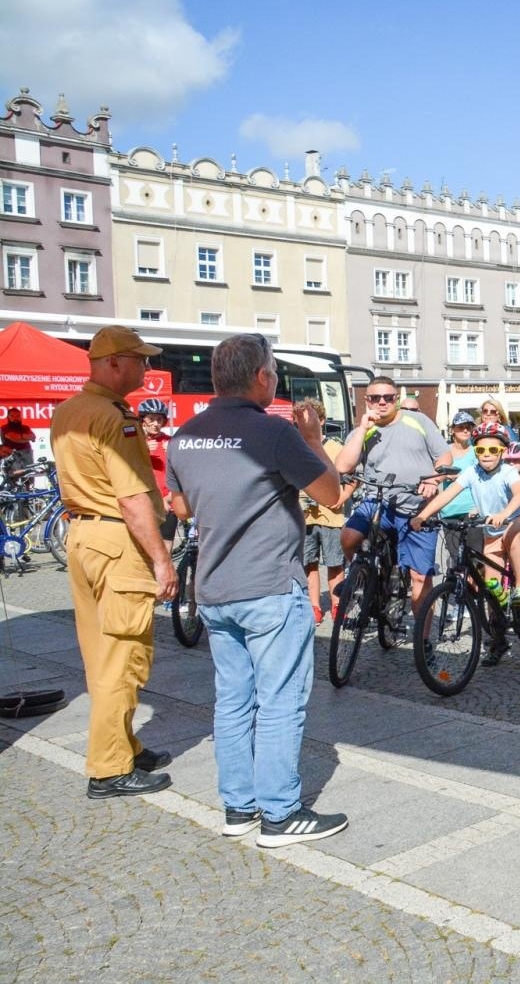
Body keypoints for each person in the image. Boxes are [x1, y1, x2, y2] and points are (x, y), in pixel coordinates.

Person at [166, 333, 346, 845]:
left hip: (216, 587)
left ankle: (238, 807)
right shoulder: (271, 433)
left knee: (233, 700)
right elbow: (331, 495)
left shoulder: (186, 434)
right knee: (280, 701)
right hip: (268, 584)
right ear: (262, 376)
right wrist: (311, 439)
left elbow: (180, 508)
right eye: (273, 372)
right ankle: (280, 813)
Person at [52, 325, 176, 799]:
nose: (146, 368)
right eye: (140, 360)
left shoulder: (69, 411)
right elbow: (130, 497)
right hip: (115, 538)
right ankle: (109, 767)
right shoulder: (114, 418)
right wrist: (161, 560)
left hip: (83, 535)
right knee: (123, 656)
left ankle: (123, 743)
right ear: (114, 363)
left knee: (100, 650)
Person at [412, 423, 520, 662]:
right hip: (491, 532)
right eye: (481, 451)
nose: (486, 455)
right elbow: (447, 494)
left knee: (512, 534)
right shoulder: (471, 473)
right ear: (475, 452)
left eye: (493, 450)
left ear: (502, 452)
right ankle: (498, 638)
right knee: (491, 588)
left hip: (518, 522)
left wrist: (504, 513)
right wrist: (423, 515)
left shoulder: (507, 472)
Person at [333, 376, 447, 627]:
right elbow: (342, 466)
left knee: (420, 578)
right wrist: (363, 429)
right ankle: (362, 579)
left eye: (388, 398)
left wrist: (433, 480)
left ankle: (423, 640)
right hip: (378, 501)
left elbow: (444, 456)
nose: (382, 402)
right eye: (375, 398)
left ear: (396, 399)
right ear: (366, 401)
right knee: (348, 537)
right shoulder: (363, 430)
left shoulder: (417, 421)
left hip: (416, 505)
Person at [297, 398, 352, 626]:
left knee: (334, 563)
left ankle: (337, 604)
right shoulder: (296, 447)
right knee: (309, 563)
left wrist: (341, 498)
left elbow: (351, 480)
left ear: (321, 420)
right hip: (304, 517)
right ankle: (314, 606)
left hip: (332, 517)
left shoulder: (335, 448)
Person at [433, 411, 480, 572]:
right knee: (455, 556)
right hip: (450, 510)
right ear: (453, 430)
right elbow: (435, 472)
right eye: (461, 427)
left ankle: (473, 593)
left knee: (474, 556)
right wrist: (444, 474)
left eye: (469, 427)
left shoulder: (477, 452)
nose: (466, 431)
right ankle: (454, 592)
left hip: (472, 509)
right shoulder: (444, 452)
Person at [137, 398, 179, 545]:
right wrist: (142, 450)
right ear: (142, 420)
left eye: (159, 420)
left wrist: (167, 499)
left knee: (165, 551)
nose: (156, 424)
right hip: (144, 504)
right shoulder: (135, 442)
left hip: (167, 504)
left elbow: (180, 473)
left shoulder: (170, 442)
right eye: (152, 419)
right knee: (143, 552)